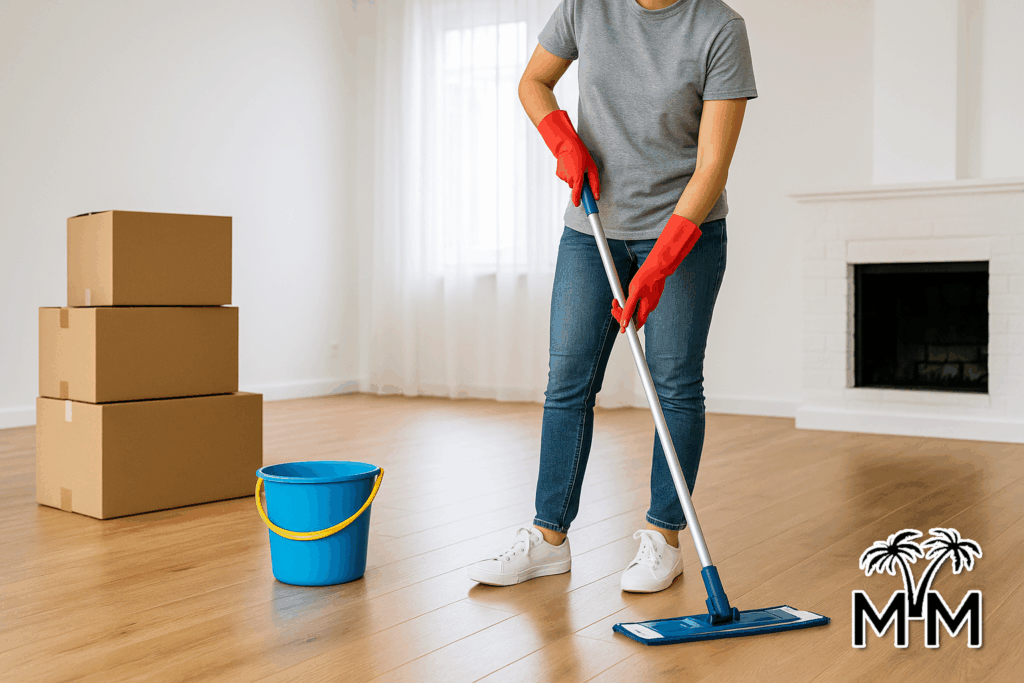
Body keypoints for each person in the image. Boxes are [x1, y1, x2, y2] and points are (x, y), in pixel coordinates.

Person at [468, 0, 757, 593]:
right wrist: (561, 139)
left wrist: (658, 266)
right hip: (591, 227)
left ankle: (663, 537)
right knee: (568, 380)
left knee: (674, 383)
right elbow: (535, 82)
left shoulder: (720, 29)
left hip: (684, 229)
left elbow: (712, 169)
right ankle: (548, 540)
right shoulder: (585, 6)